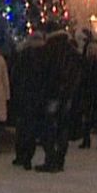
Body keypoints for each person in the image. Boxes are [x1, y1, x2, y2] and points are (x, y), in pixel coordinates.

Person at [35, 30, 82, 172]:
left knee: (48, 126)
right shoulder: (72, 51)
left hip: (51, 94)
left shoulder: (47, 50)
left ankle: (50, 158)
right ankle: (60, 159)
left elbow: (42, 74)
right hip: (67, 95)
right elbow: (77, 73)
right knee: (62, 127)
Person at [11, 32, 46, 170]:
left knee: (23, 128)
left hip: (24, 96)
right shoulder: (45, 56)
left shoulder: (23, 55)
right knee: (34, 127)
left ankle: (22, 156)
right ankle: (28, 156)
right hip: (39, 96)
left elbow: (16, 75)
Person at [77, 38, 97, 149]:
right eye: (90, 49)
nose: (92, 51)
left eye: (94, 49)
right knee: (86, 116)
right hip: (86, 91)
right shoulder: (83, 62)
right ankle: (86, 140)